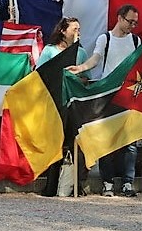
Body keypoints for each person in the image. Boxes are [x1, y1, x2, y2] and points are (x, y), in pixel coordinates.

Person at [67, 5, 142, 197]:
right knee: (107, 140)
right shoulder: (105, 38)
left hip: (130, 95)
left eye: (135, 22)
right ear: (119, 18)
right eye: (129, 21)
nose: (132, 26)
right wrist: (81, 67)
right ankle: (107, 182)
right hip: (109, 94)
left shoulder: (136, 40)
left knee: (130, 142)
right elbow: (96, 59)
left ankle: (127, 182)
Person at [38, 18, 88, 197]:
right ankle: (51, 185)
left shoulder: (81, 53)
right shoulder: (50, 51)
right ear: (63, 31)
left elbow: (86, 77)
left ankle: (75, 183)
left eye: (79, 29)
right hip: (54, 103)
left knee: (76, 143)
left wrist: (75, 79)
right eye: (74, 29)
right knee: (55, 143)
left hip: (73, 104)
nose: (78, 32)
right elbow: (40, 75)